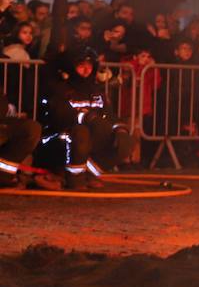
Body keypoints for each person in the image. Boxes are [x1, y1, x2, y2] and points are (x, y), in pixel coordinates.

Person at [35, 47, 133, 187]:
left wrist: (121, 130)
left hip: (89, 141)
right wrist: (86, 118)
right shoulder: (59, 89)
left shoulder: (97, 93)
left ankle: (88, 174)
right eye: (81, 65)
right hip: (59, 141)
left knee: (126, 142)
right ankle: (73, 178)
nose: (86, 70)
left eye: (89, 65)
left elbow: (111, 117)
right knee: (82, 132)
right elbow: (59, 117)